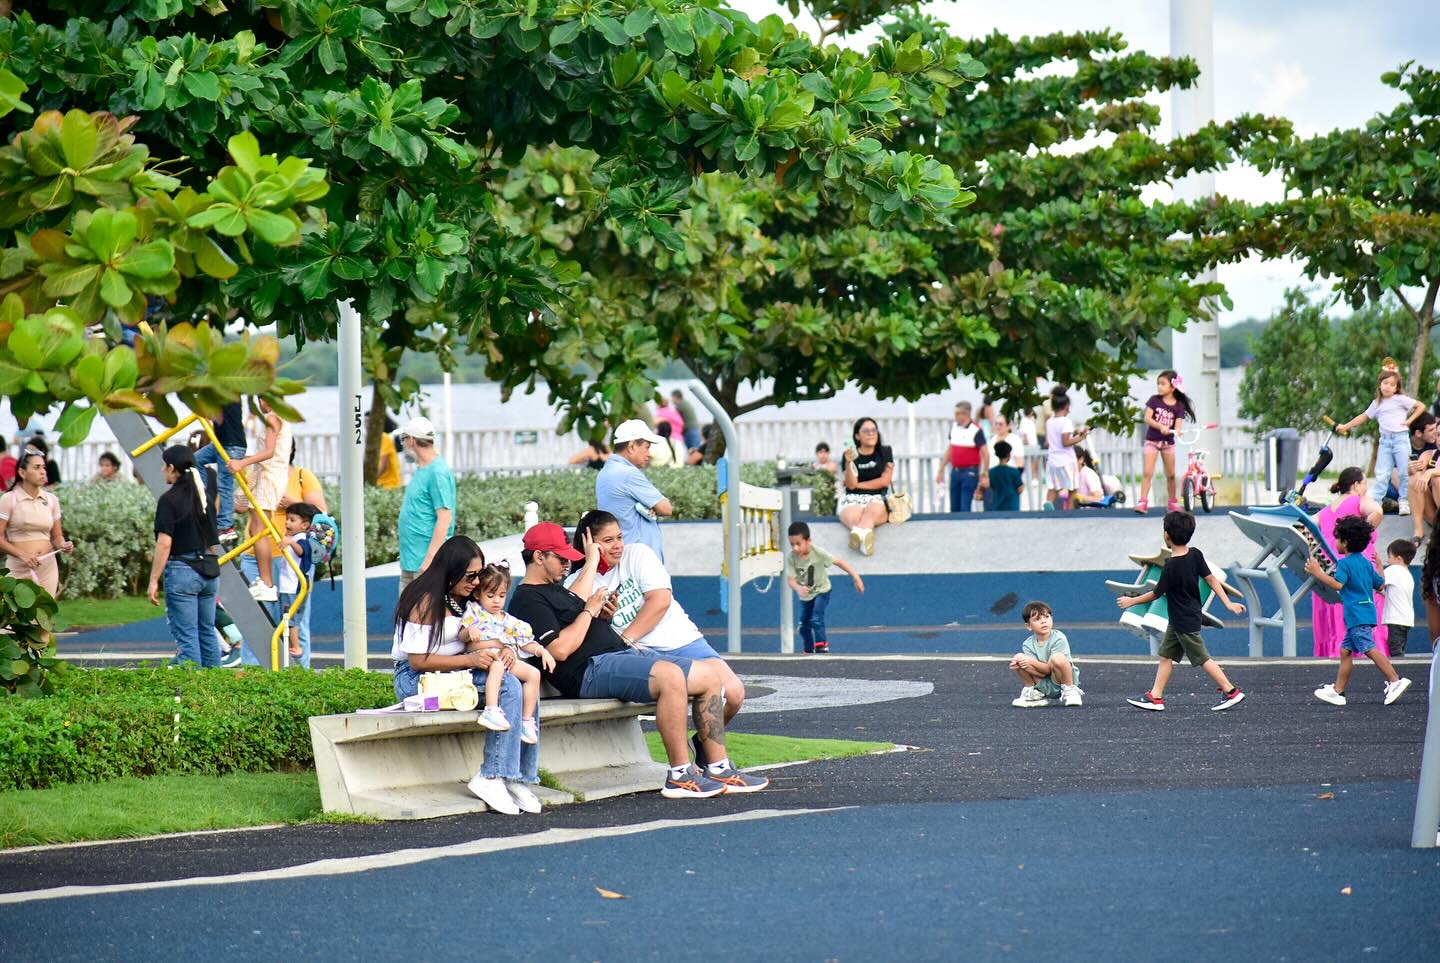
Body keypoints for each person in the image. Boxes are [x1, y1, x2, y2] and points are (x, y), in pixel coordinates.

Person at [508, 521, 766, 798]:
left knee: (708, 676)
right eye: (561, 559)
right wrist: (589, 612)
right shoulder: (526, 599)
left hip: (616, 655)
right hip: (590, 669)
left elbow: (582, 611)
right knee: (669, 676)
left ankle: (718, 766)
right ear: (538, 557)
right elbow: (559, 650)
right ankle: (680, 775)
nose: (567, 565)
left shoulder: (557, 589)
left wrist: (601, 613)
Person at [573, 510, 752, 746]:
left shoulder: (638, 554)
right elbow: (580, 619)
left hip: (680, 641)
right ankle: (705, 764)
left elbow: (660, 601)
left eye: (619, 537)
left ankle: (701, 744)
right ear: (589, 544)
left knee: (734, 693)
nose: (617, 545)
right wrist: (593, 568)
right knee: (686, 689)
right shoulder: (578, 581)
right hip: (641, 655)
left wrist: (625, 639)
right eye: (608, 541)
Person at [392, 535, 541, 816]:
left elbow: (493, 631)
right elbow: (417, 661)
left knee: (522, 678)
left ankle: (519, 776)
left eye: (479, 575)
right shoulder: (424, 600)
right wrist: (470, 659)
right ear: (452, 569)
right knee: (509, 686)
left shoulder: (467, 601)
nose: (476, 582)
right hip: (416, 680)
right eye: (471, 576)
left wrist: (506, 648)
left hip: (457, 671)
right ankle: (492, 775)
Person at [1118, 510, 1247, 711]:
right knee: (1166, 655)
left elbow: (1156, 594)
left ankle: (1231, 691)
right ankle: (1156, 697)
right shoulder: (1196, 554)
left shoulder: (1170, 566)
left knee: (1202, 657)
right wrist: (1227, 603)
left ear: (1166, 535)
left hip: (1183, 621)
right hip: (1185, 617)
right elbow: (1212, 579)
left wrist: (1131, 601)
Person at [1305, 516, 1412, 706]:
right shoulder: (1364, 562)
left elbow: (1338, 584)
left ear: (1345, 542)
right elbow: (1380, 585)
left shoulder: (1345, 564)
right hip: (1365, 613)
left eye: (1337, 539)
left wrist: (1318, 573)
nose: (1336, 542)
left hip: (1356, 615)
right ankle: (1338, 691)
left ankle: (1395, 680)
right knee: (1345, 651)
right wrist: (1379, 566)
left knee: (1369, 649)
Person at [146, 445, 221, 668]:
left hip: (182, 570)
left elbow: (164, 543)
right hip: (208, 570)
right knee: (207, 631)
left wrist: (153, 580)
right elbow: (213, 542)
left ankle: (193, 689)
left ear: (171, 468)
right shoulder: (204, 496)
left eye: (163, 466)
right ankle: (215, 687)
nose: (162, 470)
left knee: (187, 636)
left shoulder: (169, 500)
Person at [461, 561, 554, 742]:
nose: (496, 601)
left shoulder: (509, 621)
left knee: (533, 674)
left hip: (503, 659)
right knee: (498, 665)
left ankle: (526, 721)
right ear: (478, 593)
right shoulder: (475, 612)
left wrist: (541, 651)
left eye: (501, 595)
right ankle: (491, 709)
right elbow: (463, 637)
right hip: (483, 658)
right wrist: (469, 632)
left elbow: (525, 642)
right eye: (491, 595)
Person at [1311, 467, 1388, 658]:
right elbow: (1377, 511)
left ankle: (1338, 652)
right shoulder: (1358, 501)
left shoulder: (1327, 509)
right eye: (1364, 485)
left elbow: (1307, 526)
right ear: (1356, 485)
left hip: (1329, 564)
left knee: (1336, 609)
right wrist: (1362, 534)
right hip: (1355, 562)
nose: (1366, 490)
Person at [228, 399, 291, 602]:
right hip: (263, 473)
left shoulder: (273, 418)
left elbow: (269, 452)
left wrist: (242, 462)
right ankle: (265, 582)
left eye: (260, 400)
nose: (259, 404)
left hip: (269, 475)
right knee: (240, 505)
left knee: (259, 529)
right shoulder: (278, 418)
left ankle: (267, 583)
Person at [1336, 369, 1424, 504]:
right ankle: (1376, 501)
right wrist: (1346, 426)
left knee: (1403, 471)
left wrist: (1409, 421)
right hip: (1385, 441)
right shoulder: (1377, 403)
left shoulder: (1400, 399)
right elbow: (1363, 417)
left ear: (1396, 388)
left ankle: (1404, 500)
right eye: (1385, 383)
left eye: (1392, 384)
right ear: (1380, 385)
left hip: (1400, 439)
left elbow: (1420, 406)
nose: (1388, 386)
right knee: (1382, 473)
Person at [595, 419, 672, 562]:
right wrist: (651, 506)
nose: (649, 454)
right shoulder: (628, 474)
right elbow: (666, 508)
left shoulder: (605, 472)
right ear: (631, 446)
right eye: (646, 447)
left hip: (622, 556)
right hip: (640, 559)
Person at [0, 449, 72, 598]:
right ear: (22, 472)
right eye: (36, 467)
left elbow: (57, 536)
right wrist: (23, 555)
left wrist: (63, 544)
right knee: (15, 618)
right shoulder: (9, 499)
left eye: (43, 467)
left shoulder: (52, 500)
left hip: (47, 569)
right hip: (18, 568)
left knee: (43, 617)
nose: (43, 472)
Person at [396, 416, 456, 591]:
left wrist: (429, 560)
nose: (403, 444)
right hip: (411, 560)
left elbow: (444, 518)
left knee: (423, 616)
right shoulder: (423, 469)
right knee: (406, 615)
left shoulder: (437, 472)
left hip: (425, 563)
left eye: (403, 439)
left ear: (412, 440)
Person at [786, 521, 864, 654]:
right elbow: (791, 580)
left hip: (822, 591)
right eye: (792, 544)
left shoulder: (818, 553)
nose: (795, 548)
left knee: (816, 618)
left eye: (798, 544)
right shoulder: (791, 558)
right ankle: (808, 650)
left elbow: (838, 562)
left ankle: (822, 646)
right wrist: (798, 588)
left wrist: (855, 576)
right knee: (803, 627)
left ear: (808, 541)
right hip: (806, 595)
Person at [1135, 370, 1195, 514]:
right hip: (1152, 441)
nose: (1159, 387)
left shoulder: (1179, 405)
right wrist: (1160, 426)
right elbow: (1147, 418)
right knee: (1148, 472)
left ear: (1173, 387)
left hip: (1168, 443)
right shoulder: (1154, 400)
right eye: (1158, 384)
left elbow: (1178, 423)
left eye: (1163, 384)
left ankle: (1172, 502)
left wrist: (1178, 430)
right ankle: (1143, 501)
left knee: (1171, 475)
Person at [1009, 600, 1082, 708]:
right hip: (1043, 682)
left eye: (1047, 617)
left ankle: (1070, 691)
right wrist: (1022, 664)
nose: (1043, 621)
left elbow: (1049, 670)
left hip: (1060, 680)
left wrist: (1030, 662)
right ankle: (1034, 693)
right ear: (1029, 626)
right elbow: (1042, 673)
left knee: (1058, 658)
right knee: (1018, 659)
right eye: (1037, 619)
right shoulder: (1027, 644)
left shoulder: (1059, 638)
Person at [193, 400, 248, 543]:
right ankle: (202, 495)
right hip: (220, 444)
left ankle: (226, 526)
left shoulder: (227, 395)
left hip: (232, 445)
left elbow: (210, 413)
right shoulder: (221, 394)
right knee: (195, 460)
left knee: (224, 484)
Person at [839, 417, 893, 557]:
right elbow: (851, 484)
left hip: (877, 498)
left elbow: (885, 481)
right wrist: (849, 462)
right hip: (853, 498)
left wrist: (859, 485)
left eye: (874, 430)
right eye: (866, 431)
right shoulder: (849, 455)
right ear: (857, 436)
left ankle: (858, 534)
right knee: (855, 515)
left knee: (872, 509)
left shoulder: (885, 452)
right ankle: (864, 539)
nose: (871, 433)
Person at [277, 502, 317, 664]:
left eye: (292, 520)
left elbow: (302, 552)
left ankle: (296, 647)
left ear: (305, 525)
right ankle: (294, 645)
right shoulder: (296, 537)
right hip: (289, 585)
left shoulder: (301, 539)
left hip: (292, 586)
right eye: (287, 519)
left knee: (290, 618)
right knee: (290, 618)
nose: (287, 523)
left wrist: (290, 542)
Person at [936, 401, 987, 513]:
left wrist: (985, 473)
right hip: (955, 471)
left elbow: (985, 453)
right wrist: (941, 469)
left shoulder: (976, 430)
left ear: (965, 414)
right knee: (954, 508)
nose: (955, 416)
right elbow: (950, 449)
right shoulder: (954, 427)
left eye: (957, 413)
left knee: (964, 507)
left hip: (970, 472)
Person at [1044, 395, 1089, 510]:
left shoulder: (1049, 422)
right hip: (1066, 461)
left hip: (1053, 460)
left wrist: (1075, 434)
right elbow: (1065, 442)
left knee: (1053, 487)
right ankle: (1069, 510)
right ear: (1066, 406)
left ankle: (1048, 505)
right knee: (1072, 488)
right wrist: (1081, 437)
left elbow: (1058, 439)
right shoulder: (1066, 421)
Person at [1405, 414, 1440, 538]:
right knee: (1415, 478)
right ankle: (1419, 531)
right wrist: (1412, 469)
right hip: (1434, 516)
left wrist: (1431, 472)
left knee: (1437, 479)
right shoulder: (1429, 454)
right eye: (1438, 435)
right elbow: (1419, 467)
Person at [1383, 538, 1417, 657]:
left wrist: (1377, 564)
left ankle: (1398, 674)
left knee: (1395, 651)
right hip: (1405, 619)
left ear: (1398, 559)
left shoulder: (1394, 570)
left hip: (1395, 619)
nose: (1387, 560)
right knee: (1399, 648)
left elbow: (1378, 582)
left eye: (1389, 557)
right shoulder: (1407, 573)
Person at [987, 441, 1024, 512]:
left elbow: (990, 486)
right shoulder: (1014, 471)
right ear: (1009, 455)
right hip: (1012, 506)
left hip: (997, 506)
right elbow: (1020, 489)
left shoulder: (991, 472)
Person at [376, 414, 402, 489]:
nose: (366, 425)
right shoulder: (387, 437)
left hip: (388, 484)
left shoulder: (384, 437)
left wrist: (367, 480)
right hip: (390, 482)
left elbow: (383, 465)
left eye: (368, 422)